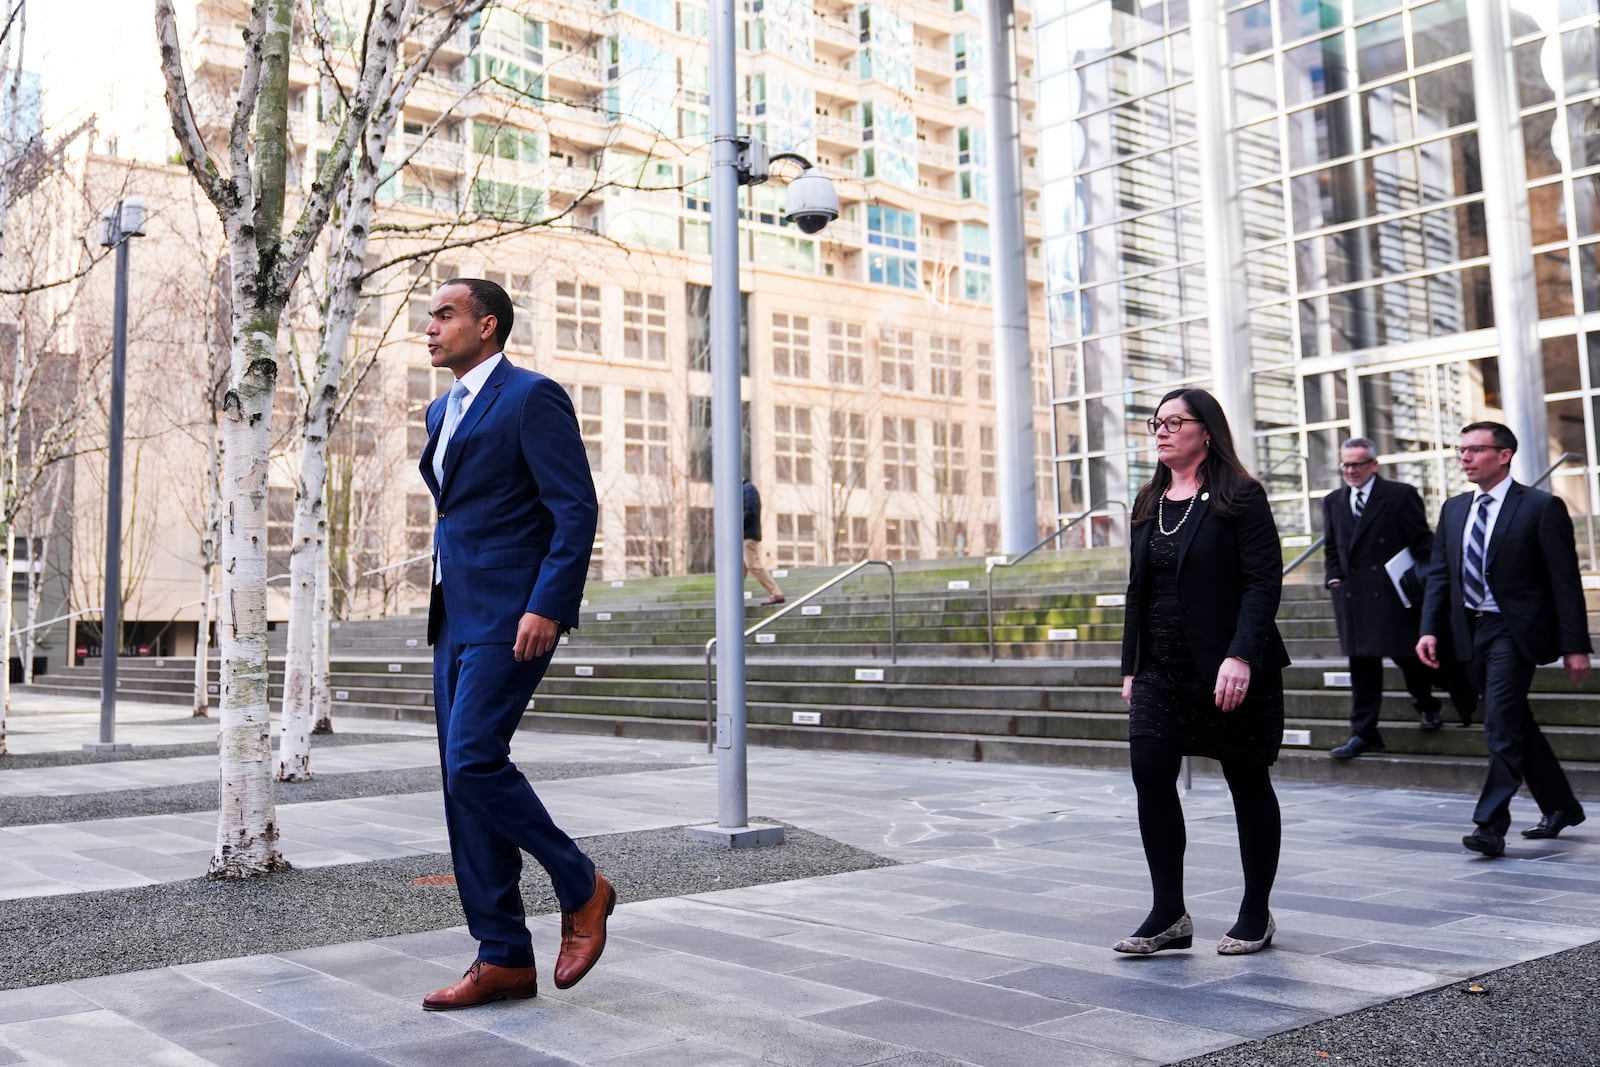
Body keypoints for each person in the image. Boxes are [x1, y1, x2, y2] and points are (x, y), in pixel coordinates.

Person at [417, 278, 614, 1010]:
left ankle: (581, 882)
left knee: (474, 759)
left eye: (445, 314)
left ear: (487, 324)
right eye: (430, 316)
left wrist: (548, 604)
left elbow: (574, 508)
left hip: (513, 615)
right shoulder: (442, 408)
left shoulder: (533, 397)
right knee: (460, 785)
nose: (429, 327)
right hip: (453, 617)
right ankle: (501, 954)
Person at [1117, 388, 1290, 956]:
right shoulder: (1148, 499)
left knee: (1247, 782)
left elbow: (1263, 583)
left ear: (1206, 431)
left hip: (1228, 667)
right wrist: (1131, 665)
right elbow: (1137, 589)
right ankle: (1169, 913)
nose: (1161, 431)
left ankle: (1255, 912)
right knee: (1149, 771)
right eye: (1156, 423)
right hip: (1161, 669)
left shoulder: (1240, 495)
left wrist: (1241, 655)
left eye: (1174, 422)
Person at [1418, 421, 1592, 858]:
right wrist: (1428, 629)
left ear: (1504, 455)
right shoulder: (1454, 509)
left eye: (1475, 450)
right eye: (1461, 451)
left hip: (1514, 630)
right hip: (1469, 629)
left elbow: (1564, 582)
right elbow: (1441, 575)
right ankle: (1562, 806)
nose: (1465, 458)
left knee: (1499, 721)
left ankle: (1490, 826)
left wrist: (1575, 646)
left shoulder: (1539, 507)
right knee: (1514, 720)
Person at [1323, 438, 1477, 759]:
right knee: (1362, 669)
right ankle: (1364, 733)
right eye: (1345, 465)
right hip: (1353, 598)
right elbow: (1332, 546)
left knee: (1410, 661)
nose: (1350, 471)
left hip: (1396, 594)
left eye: (1357, 464)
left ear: (1373, 465)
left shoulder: (1399, 495)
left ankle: (1427, 704)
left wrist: (1424, 580)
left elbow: (1423, 543)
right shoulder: (1333, 500)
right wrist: (1333, 579)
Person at [743, 477, 785, 606]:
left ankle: (776, 592)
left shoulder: (748, 489)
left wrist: (735, 524)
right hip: (744, 534)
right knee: (740, 568)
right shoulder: (745, 489)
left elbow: (750, 511)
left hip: (748, 535)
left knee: (752, 564)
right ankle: (732, 597)